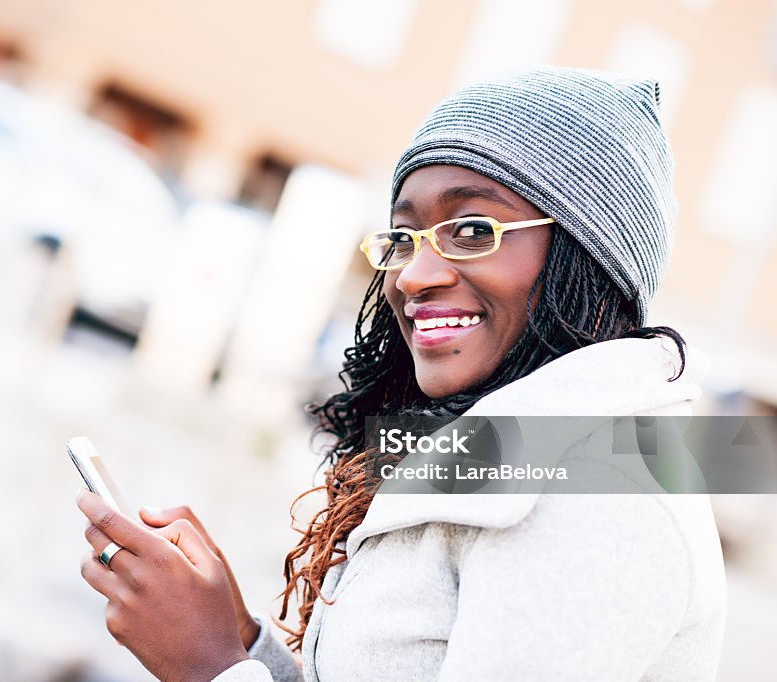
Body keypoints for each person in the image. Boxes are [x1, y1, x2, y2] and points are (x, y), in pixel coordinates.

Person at [75, 67, 727, 681]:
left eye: (473, 229)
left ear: (589, 261)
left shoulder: (603, 500)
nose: (413, 276)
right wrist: (240, 640)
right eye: (405, 237)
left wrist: (210, 665)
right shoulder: (512, 450)